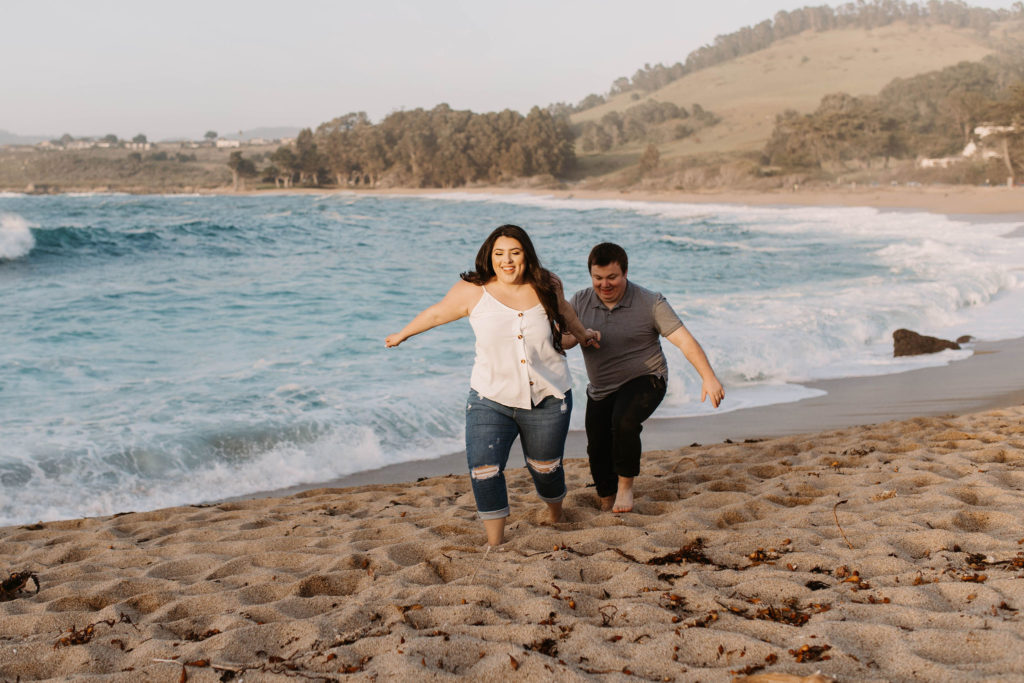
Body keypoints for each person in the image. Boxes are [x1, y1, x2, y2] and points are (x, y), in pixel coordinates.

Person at [385, 225, 599, 547]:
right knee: (484, 469)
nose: (507, 260)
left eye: (514, 252)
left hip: (548, 395)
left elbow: (565, 312)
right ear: (490, 256)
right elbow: (436, 313)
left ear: (526, 254)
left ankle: (555, 512)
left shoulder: (546, 284)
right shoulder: (473, 290)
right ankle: (495, 544)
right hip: (490, 397)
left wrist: (582, 335)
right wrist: (404, 333)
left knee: (545, 468)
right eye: (499, 254)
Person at [563, 242, 724, 513]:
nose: (605, 285)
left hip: (647, 377)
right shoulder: (579, 301)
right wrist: (582, 335)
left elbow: (684, 341)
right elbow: (562, 340)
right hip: (601, 388)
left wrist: (708, 377)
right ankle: (606, 497)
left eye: (612, 277)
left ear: (625, 273)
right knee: (597, 446)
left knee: (624, 422)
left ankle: (626, 488)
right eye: (598, 278)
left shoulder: (650, 302)